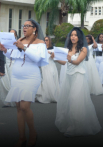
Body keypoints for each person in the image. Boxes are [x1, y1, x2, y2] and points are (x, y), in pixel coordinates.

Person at [0, 19, 48, 147]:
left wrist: (25, 48)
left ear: (35, 29)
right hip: (16, 77)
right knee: (18, 107)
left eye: (28, 26)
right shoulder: (19, 41)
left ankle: (33, 133)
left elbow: (38, 58)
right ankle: (22, 138)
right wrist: (4, 50)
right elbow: (12, 56)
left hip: (31, 77)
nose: (25, 28)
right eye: (23, 25)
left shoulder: (40, 43)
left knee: (25, 106)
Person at [54, 27, 101, 137]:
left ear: (79, 37)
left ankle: (75, 127)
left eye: (75, 35)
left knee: (75, 101)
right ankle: (69, 123)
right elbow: (64, 62)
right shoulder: (68, 48)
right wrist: (55, 57)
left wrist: (69, 58)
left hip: (78, 77)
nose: (73, 37)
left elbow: (77, 61)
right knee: (66, 101)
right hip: (68, 77)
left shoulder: (83, 49)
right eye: (71, 35)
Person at [36, 36, 60, 103]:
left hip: (50, 66)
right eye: (44, 40)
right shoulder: (42, 49)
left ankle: (53, 96)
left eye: (47, 40)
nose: (45, 42)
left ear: (49, 41)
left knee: (51, 80)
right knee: (45, 81)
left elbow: (55, 58)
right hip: (43, 67)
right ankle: (46, 95)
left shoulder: (52, 49)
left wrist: (50, 53)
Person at [0, 29, 18, 107]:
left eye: (13, 34)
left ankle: (16, 101)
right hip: (5, 65)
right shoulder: (4, 43)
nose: (11, 35)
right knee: (4, 83)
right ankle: (7, 101)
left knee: (14, 83)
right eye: (9, 34)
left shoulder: (18, 44)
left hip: (15, 65)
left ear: (16, 35)